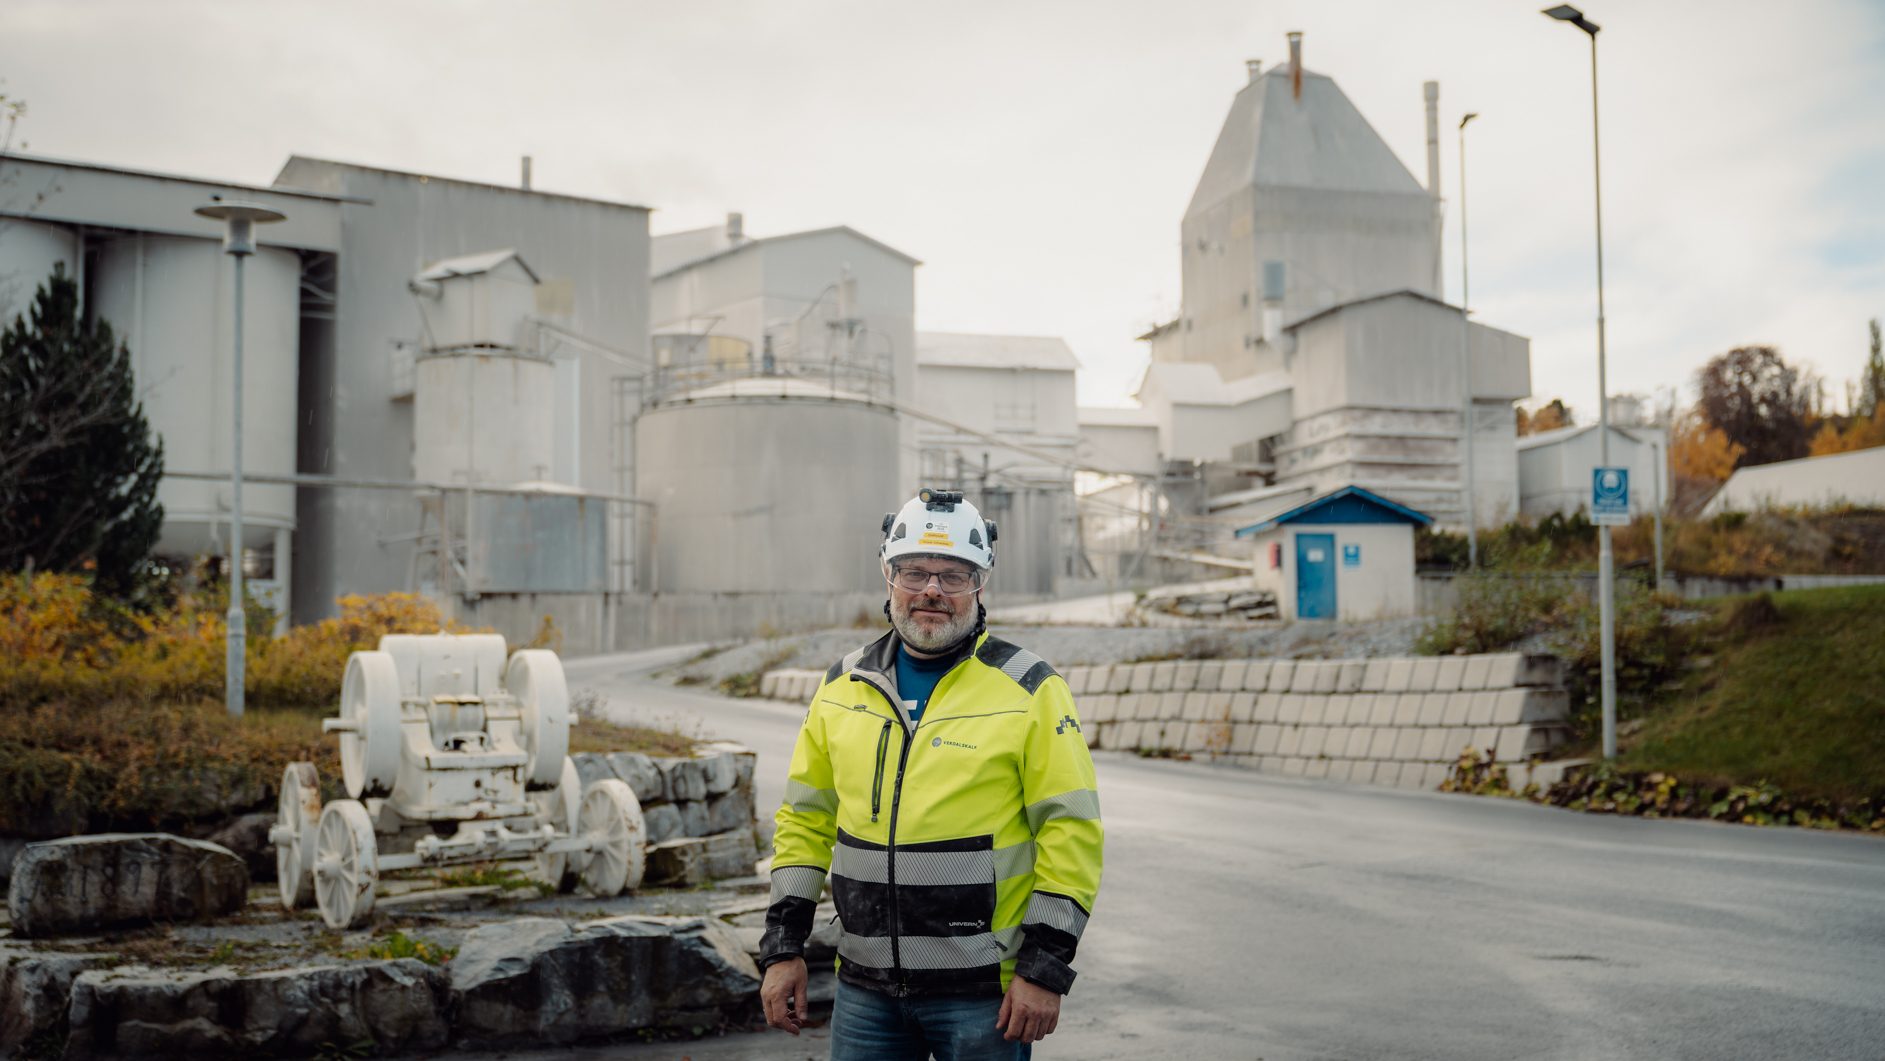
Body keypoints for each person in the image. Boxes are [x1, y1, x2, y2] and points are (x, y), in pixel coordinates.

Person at [758, 488, 1104, 1060]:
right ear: (888, 578)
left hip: (981, 996)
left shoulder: (1031, 689)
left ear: (981, 584)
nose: (933, 591)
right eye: (915, 572)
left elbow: (1072, 834)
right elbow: (805, 822)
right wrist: (782, 947)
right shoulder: (841, 688)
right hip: (865, 993)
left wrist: (1044, 968)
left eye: (954, 575)